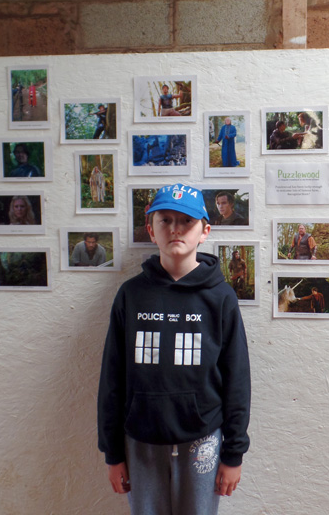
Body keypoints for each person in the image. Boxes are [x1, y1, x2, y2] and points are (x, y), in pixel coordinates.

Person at [98, 183, 251, 514]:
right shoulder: (131, 295)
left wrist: (234, 453)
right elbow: (111, 377)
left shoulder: (221, 298)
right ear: (151, 230)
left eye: (186, 221)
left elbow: (237, 378)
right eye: (165, 220)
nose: (175, 229)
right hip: (139, 441)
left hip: (203, 439)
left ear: (204, 231)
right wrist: (112, 453)